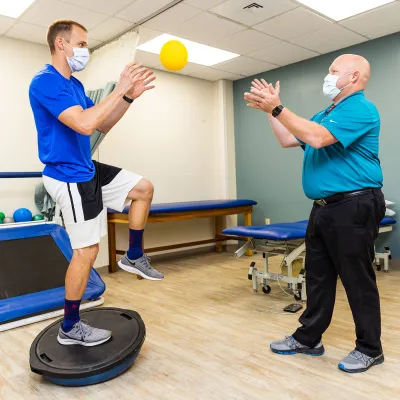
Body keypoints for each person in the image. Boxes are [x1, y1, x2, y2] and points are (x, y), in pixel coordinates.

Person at [244, 54, 386, 373]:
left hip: (354, 204)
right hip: (323, 208)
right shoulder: (325, 113)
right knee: (318, 277)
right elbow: (286, 139)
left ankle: (370, 348)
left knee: (357, 279)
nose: (328, 75)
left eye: (333, 71)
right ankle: (308, 338)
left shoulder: (361, 108)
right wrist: (271, 110)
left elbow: (318, 139)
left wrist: (277, 108)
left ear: (353, 77)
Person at [29, 20, 163, 347]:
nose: (84, 50)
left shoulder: (74, 85)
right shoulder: (45, 83)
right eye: (82, 44)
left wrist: (128, 98)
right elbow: (85, 125)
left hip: (86, 167)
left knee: (143, 188)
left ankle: (132, 255)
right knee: (87, 251)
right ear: (61, 44)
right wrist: (118, 87)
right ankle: (71, 326)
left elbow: (103, 124)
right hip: (67, 175)